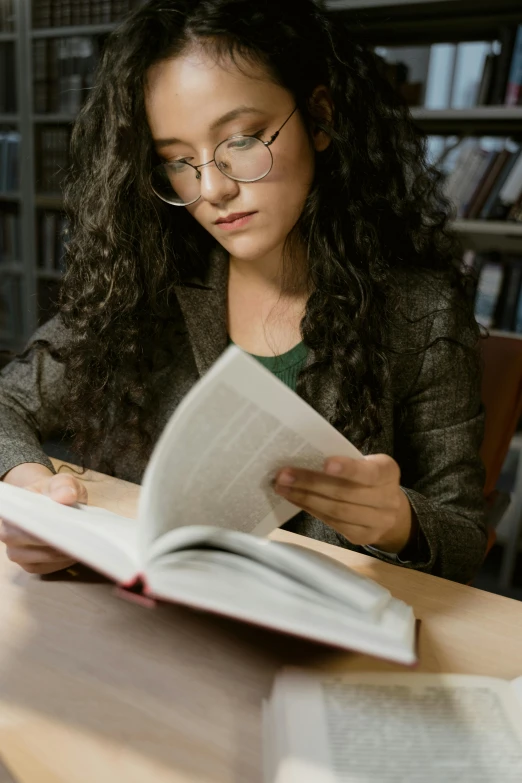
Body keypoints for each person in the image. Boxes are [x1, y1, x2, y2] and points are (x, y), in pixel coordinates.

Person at [0, 0, 486, 583]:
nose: (212, 189)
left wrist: (398, 520)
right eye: (178, 160)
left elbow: (461, 537)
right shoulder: (143, 289)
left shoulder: (420, 312)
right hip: (149, 626)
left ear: (321, 117)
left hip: (317, 638)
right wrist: (32, 495)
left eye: (241, 140)